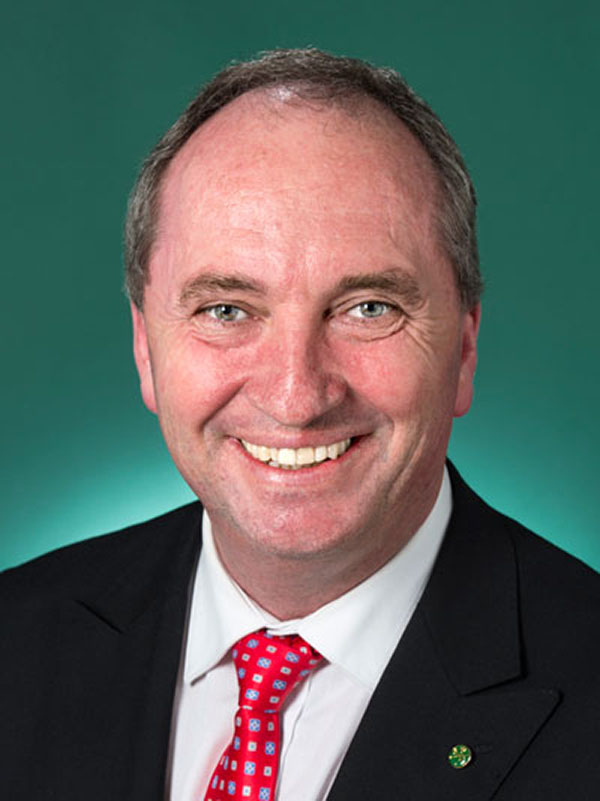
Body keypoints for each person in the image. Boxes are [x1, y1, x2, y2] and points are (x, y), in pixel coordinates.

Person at [1, 48, 599, 801]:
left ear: (465, 348)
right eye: (227, 310)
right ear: (145, 348)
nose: (296, 395)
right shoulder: (17, 642)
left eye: (368, 308)